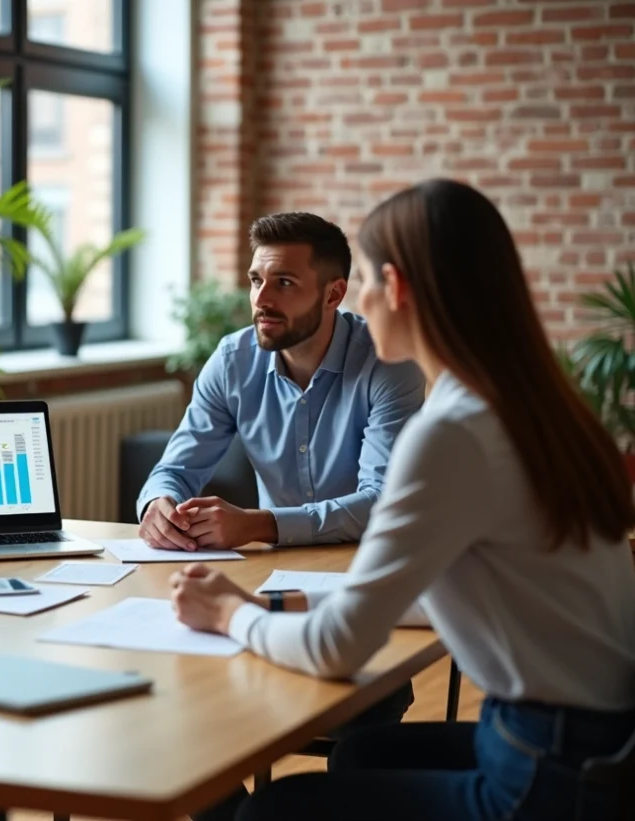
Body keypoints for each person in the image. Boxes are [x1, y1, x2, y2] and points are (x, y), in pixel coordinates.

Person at [172, 179, 635, 820]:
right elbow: (434, 589)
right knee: (365, 756)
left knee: (273, 811)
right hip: (594, 743)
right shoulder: (519, 404)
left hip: (546, 774)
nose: (360, 301)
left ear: (397, 288)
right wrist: (278, 600)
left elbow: (337, 649)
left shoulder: (450, 433)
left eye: (366, 284)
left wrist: (229, 615)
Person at [138, 214, 426, 820]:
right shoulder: (233, 359)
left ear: (334, 293)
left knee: (352, 737)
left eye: (283, 283)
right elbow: (173, 469)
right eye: (254, 280)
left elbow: (380, 506)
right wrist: (156, 507)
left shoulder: (386, 365)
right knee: (175, 730)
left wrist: (259, 524)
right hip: (259, 590)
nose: (261, 300)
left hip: (362, 604)